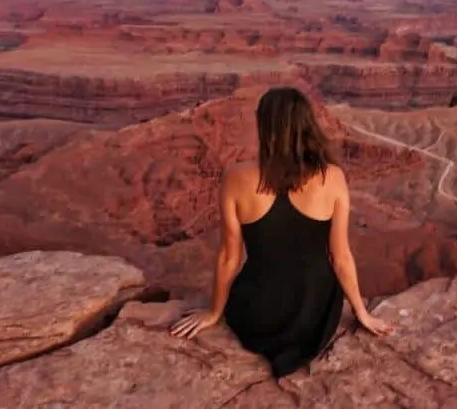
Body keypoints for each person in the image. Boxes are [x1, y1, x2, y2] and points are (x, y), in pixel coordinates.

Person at [169, 86, 394, 377]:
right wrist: (361, 313)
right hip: (314, 316)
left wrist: (214, 313)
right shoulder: (333, 178)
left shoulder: (236, 177)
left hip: (257, 314)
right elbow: (341, 257)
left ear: (264, 126)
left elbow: (229, 257)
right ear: (307, 125)